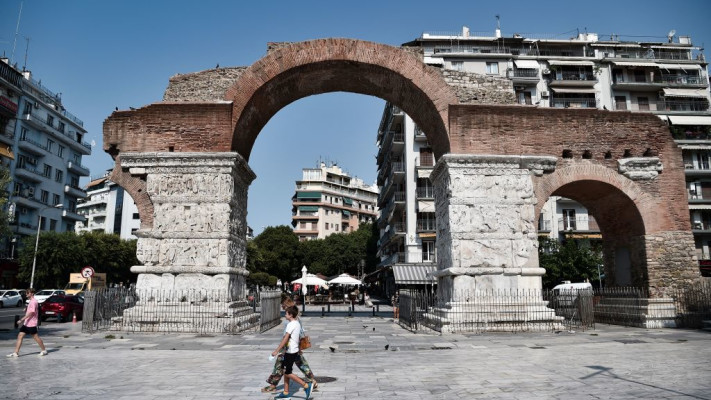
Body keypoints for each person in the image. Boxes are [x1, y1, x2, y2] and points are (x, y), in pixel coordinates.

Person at [262, 298, 318, 393]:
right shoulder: (295, 319)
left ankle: (274, 385)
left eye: (284, 307)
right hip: (292, 347)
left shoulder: (292, 321)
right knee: (300, 364)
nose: (283, 309)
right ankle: (311, 381)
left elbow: (291, 336)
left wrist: (278, 350)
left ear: (288, 309)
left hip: (289, 347)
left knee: (280, 365)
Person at [270, 305, 313, 399]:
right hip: (293, 350)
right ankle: (286, 392)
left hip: (291, 351)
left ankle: (306, 386)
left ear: (290, 315)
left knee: (288, 372)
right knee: (285, 370)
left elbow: (285, 338)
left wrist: (276, 351)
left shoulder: (291, 324)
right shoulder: (297, 323)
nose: (285, 315)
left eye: (286, 313)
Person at [7, 288, 47, 357]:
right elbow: (31, 310)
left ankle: (44, 350)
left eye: (27, 293)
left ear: (32, 293)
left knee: (36, 337)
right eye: (26, 293)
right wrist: (26, 309)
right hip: (26, 323)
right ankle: (15, 353)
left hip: (31, 324)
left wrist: (21, 320)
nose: (26, 294)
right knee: (20, 336)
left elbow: (31, 313)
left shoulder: (34, 301)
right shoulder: (31, 301)